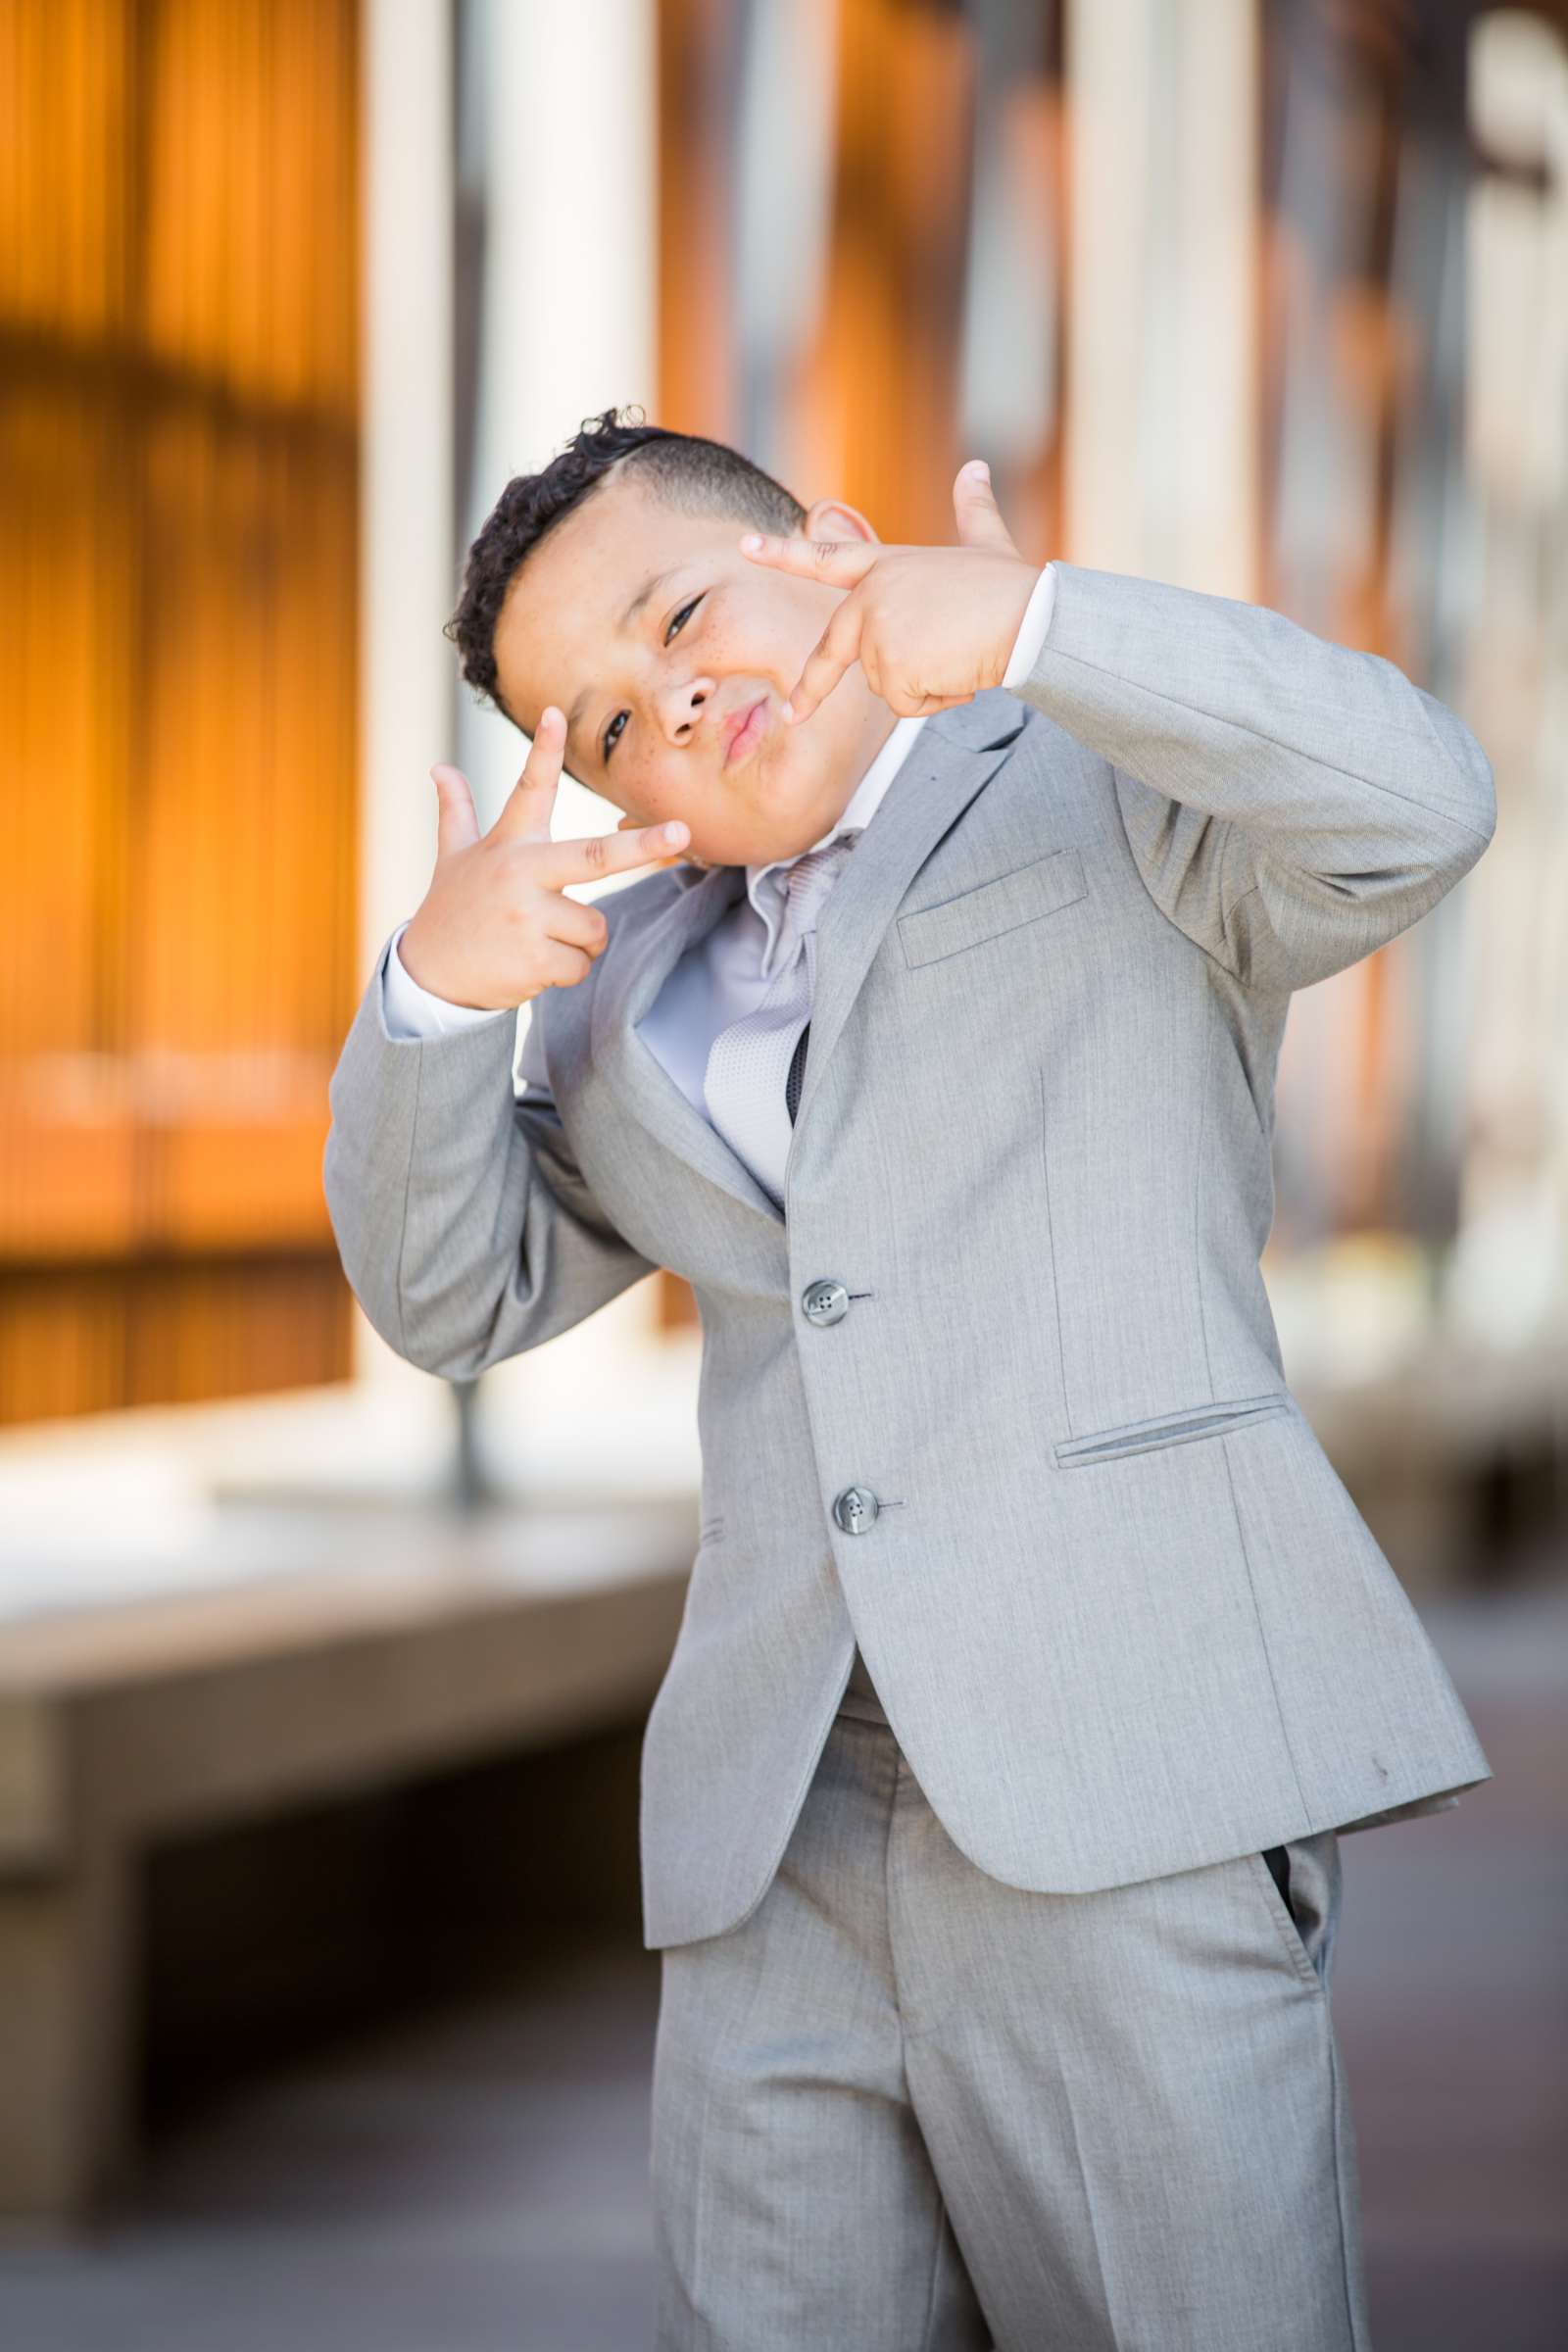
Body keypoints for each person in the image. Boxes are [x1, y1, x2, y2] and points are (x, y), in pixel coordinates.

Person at [323, 405, 1496, 2349]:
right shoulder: (613, 990)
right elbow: (454, 1298)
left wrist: (1041, 625)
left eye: (684, 613)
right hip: (772, 1843)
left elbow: (1417, 800)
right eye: (600, 726)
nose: (667, 705)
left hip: (1117, 1779)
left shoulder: (1106, 789)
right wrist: (434, 999)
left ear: (825, 540)